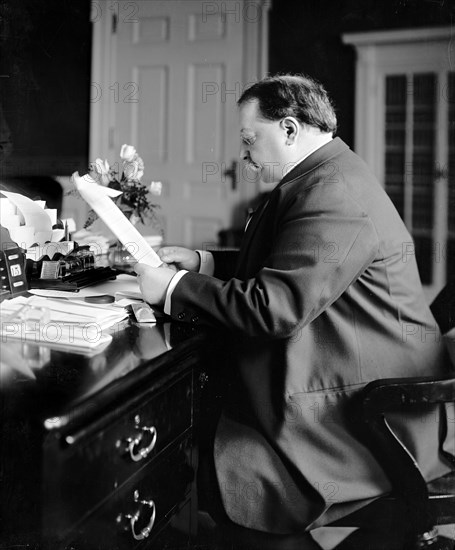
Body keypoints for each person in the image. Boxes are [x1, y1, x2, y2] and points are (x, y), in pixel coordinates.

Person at [134, 74, 454, 534]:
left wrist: (173, 287)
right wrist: (203, 262)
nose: (243, 155)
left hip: (370, 413)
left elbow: (273, 310)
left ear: (288, 129)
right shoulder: (326, 172)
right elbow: (290, 260)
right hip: (362, 375)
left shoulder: (333, 194)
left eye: (249, 140)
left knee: (197, 456)